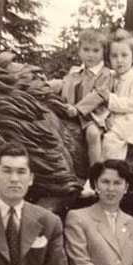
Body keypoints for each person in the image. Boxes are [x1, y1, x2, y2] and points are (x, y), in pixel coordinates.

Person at [56, 28, 112, 168]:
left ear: (103, 52)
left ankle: (96, 172)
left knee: (92, 134)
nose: (90, 55)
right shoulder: (75, 71)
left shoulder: (105, 74)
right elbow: (63, 84)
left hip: (93, 115)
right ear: (79, 51)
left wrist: (78, 109)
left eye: (95, 51)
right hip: (70, 111)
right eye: (86, 50)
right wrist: (46, 85)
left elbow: (99, 94)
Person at [97, 28, 133, 162]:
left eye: (124, 55)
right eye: (114, 56)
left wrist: (109, 98)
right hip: (122, 115)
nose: (119, 60)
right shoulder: (112, 76)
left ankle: (110, 170)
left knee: (111, 140)